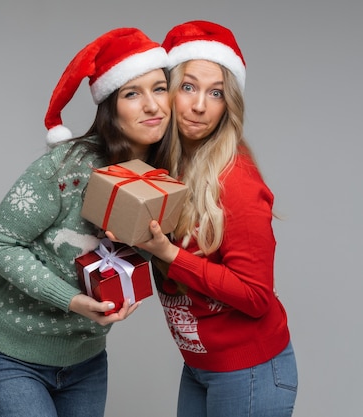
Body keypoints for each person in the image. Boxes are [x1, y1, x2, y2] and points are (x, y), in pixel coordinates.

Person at [0, 28, 171, 417]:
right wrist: (73, 301)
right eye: (132, 93)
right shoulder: (67, 167)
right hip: (11, 354)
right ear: (110, 105)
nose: (151, 106)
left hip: (86, 361)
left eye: (159, 89)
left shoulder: (167, 177)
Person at [114, 20, 298, 416]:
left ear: (227, 104)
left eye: (216, 93)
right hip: (200, 366)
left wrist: (169, 254)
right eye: (189, 86)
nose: (200, 105)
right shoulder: (164, 169)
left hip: (250, 372)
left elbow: (256, 296)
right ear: (168, 92)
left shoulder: (236, 180)